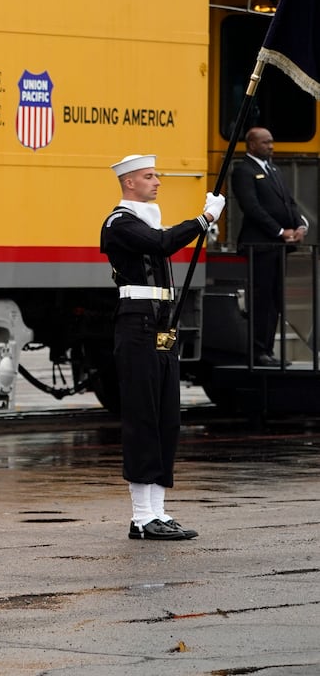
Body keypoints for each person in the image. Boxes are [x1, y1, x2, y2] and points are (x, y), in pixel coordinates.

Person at [100, 154, 222, 542]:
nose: (157, 182)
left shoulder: (150, 219)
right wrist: (204, 220)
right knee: (143, 418)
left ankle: (158, 512)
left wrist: (201, 224)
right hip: (137, 323)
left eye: (156, 175)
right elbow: (163, 244)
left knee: (166, 418)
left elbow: (164, 237)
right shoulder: (119, 223)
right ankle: (140, 517)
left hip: (162, 323)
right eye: (149, 176)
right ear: (129, 182)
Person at [231, 127, 307, 365]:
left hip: (279, 248)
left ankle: (268, 351)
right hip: (260, 246)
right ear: (251, 145)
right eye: (266, 143)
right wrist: (279, 231)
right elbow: (252, 207)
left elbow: (289, 202)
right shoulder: (243, 170)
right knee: (261, 299)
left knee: (275, 299)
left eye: (272, 142)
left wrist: (299, 227)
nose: (271, 147)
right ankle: (257, 352)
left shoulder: (273, 169)